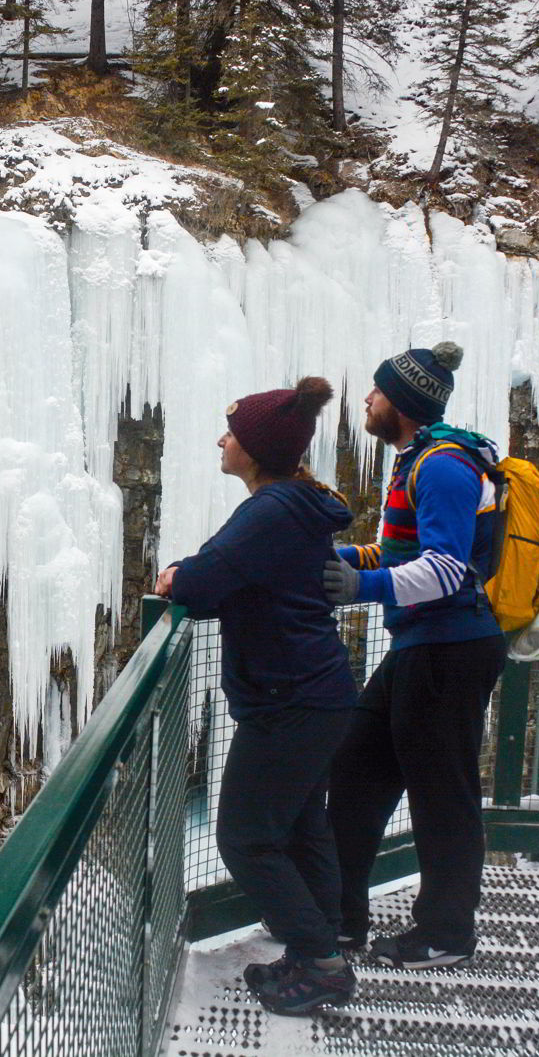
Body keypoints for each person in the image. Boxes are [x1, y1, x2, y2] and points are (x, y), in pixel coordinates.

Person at [154, 376, 359, 1016]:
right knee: (300, 828)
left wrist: (176, 578)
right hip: (311, 693)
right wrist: (200, 576)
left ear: (256, 449)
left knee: (244, 838)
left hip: (290, 701)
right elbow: (232, 572)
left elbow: (204, 579)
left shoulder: (271, 511)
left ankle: (323, 964)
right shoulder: (291, 505)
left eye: (233, 433)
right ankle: (318, 950)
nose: (222, 440)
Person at [322, 341, 508, 969]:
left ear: (400, 401)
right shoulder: (413, 461)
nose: (366, 401)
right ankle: (339, 918)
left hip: (451, 651)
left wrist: (360, 588)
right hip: (421, 646)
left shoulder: (444, 468)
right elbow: (398, 554)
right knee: (355, 769)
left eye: (375, 392)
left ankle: (446, 933)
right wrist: (330, 562)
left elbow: (448, 571)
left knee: (441, 792)